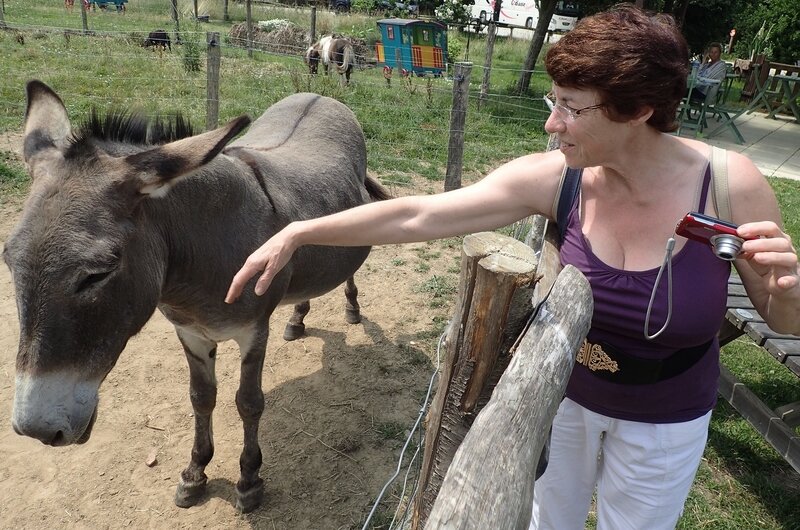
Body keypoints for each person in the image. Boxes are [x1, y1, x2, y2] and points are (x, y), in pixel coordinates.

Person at [226, 5, 800, 529]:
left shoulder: (728, 186)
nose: (553, 124)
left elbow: (784, 316)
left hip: (669, 416)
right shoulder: (560, 180)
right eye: (555, 102)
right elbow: (420, 216)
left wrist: (787, 290)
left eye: (572, 108)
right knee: (551, 520)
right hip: (565, 395)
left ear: (638, 111)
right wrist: (301, 231)